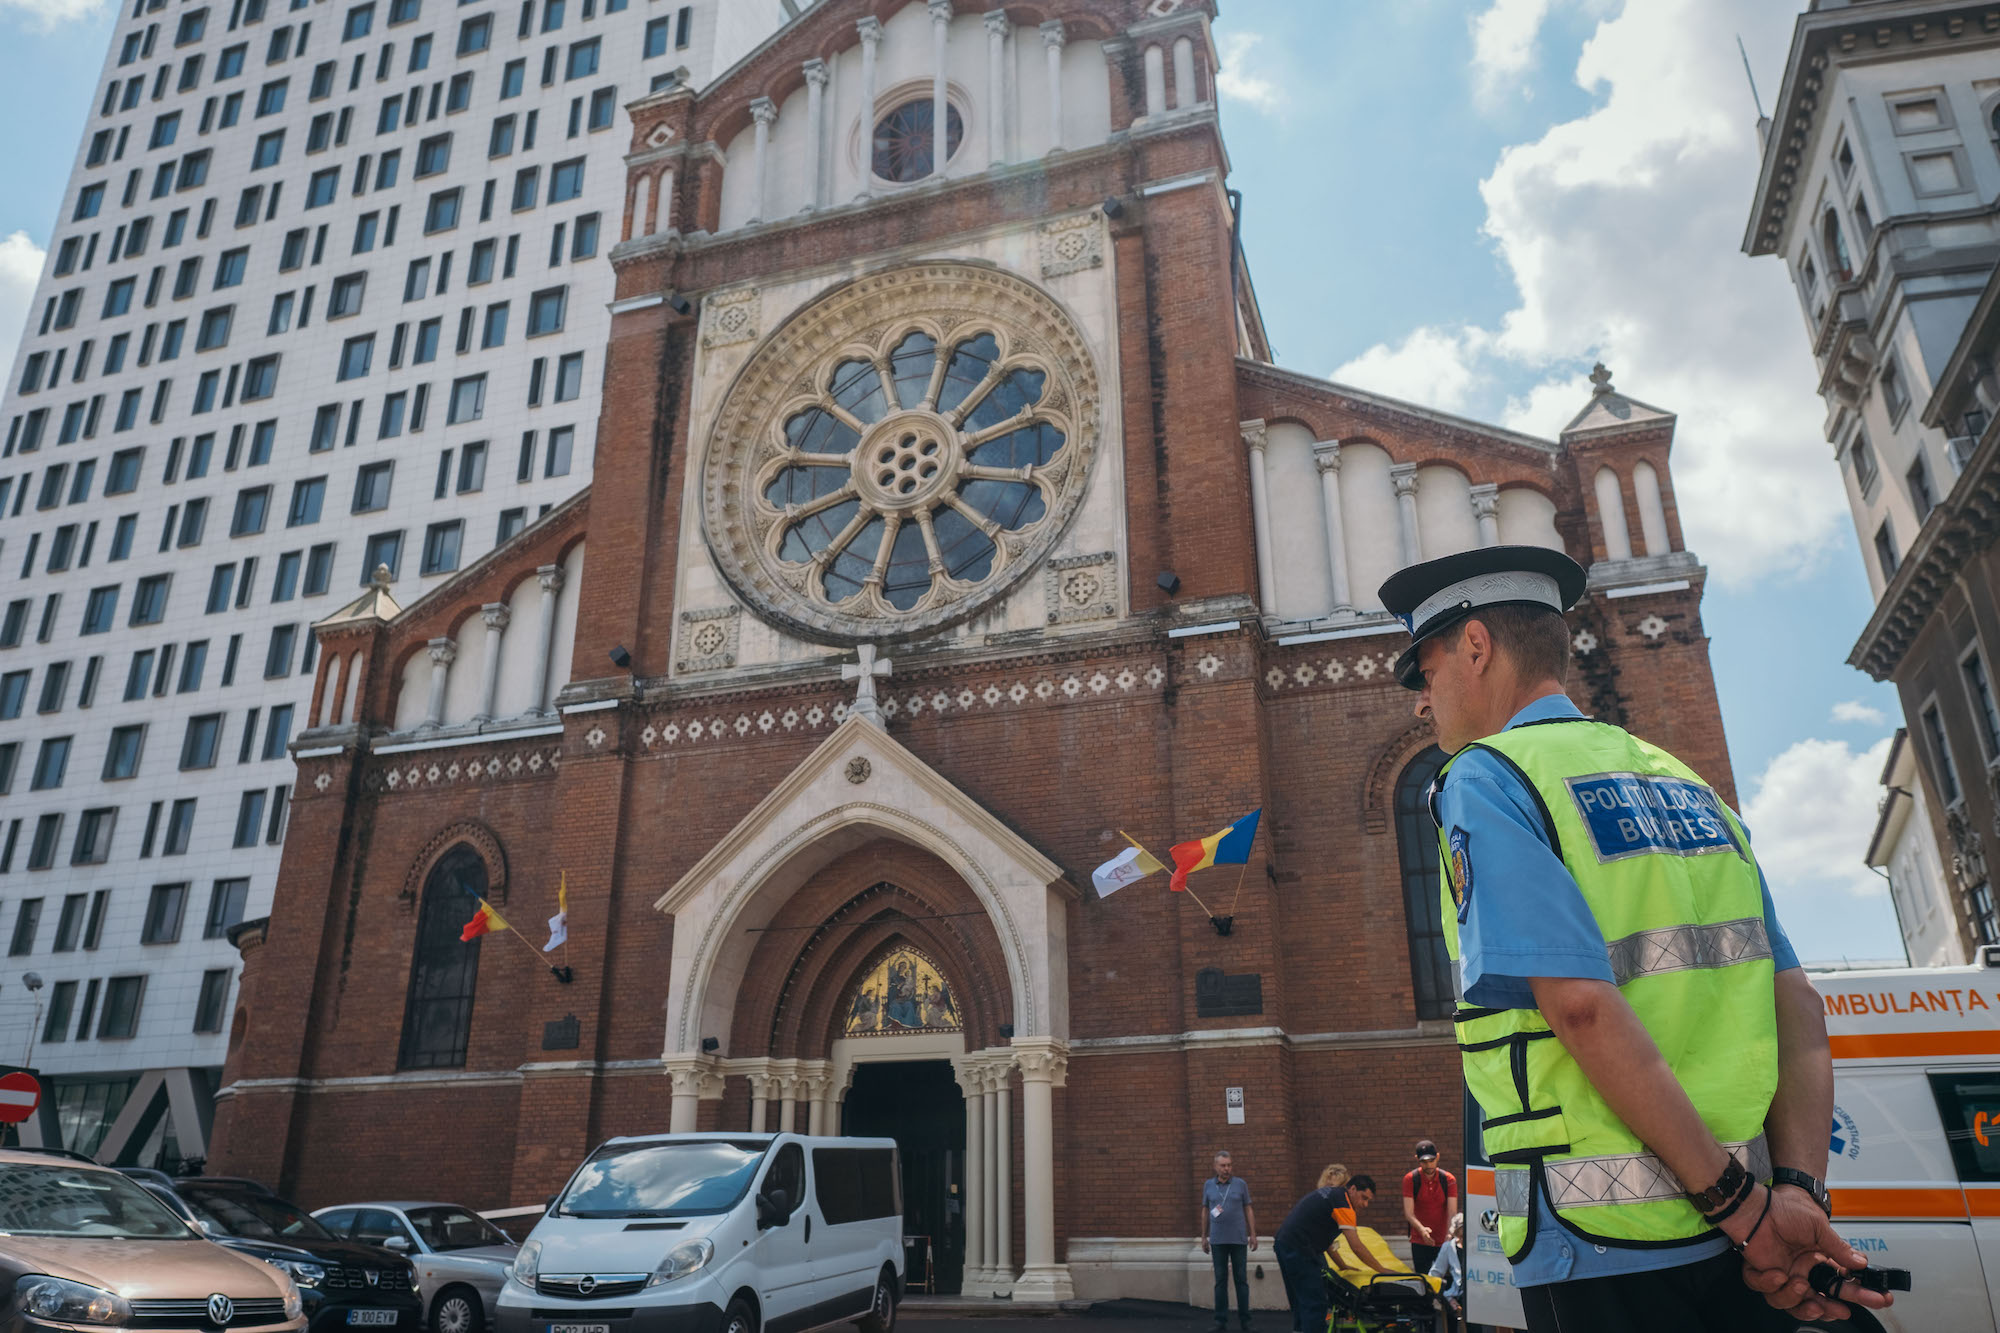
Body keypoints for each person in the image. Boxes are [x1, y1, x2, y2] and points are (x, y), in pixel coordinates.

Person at [1380, 546, 1894, 1333]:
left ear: (1476, 647)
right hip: (1748, 1229)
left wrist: (1742, 1208)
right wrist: (1790, 1194)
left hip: (1605, 1239)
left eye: (1425, 669)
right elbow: (1796, 1003)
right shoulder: (1683, 781)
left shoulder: (1489, 776)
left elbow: (1581, 1006)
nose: (1422, 701)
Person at [1273, 1165, 1393, 1333]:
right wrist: (1381, 1269)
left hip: (1284, 1243)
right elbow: (1356, 1246)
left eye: (1368, 1201)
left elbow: (1326, 1242)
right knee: (1315, 1303)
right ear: (1352, 1189)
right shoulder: (1343, 1202)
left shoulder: (1331, 1196)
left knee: (1301, 1302)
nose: (1365, 1204)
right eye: (1363, 1198)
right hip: (1299, 1248)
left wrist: (1343, 1266)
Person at [1199, 1149, 1257, 1332]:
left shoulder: (1240, 1184)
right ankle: (1220, 1322)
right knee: (1220, 1280)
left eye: (1229, 1165)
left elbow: (1248, 1208)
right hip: (1217, 1240)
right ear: (1215, 1167)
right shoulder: (1208, 1185)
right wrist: (1203, 1236)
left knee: (1241, 1280)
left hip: (1239, 1239)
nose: (1227, 1169)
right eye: (1223, 1165)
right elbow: (1205, 1211)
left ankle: (1245, 1322)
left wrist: (1253, 1234)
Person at [1401, 1138, 1457, 1278]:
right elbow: (1408, 1213)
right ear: (1417, 1160)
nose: (1428, 1165)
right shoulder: (1410, 1179)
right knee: (1423, 1281)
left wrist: (1449, 1235)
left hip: (1444, 1239)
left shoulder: (1448, 1179)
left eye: (1431, 1160)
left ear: (1437, 1157)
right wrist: (1421, 1230)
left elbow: (1452, 1211)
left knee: (1448, 1282)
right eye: (1424, 1162)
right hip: (1419, 1239)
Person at [1428, 1213, 1465, 1333]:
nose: (1462, 1240)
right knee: (1450, 1308)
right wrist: (1447, 1297)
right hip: (1457, 1293)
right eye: (1460, 1236)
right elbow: (1435, 1274)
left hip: (1477, 1292)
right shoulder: (1449, 1247)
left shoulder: (1477, 1245)